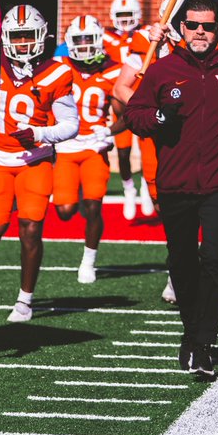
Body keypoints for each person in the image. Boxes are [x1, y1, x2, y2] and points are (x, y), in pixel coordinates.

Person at [125, 0, 218, 378]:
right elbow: (134, 115)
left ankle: (204, 344)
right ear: (183, 28)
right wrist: (159, 116)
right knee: (182, 263)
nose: (200, 32)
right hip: (175, 181)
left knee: (213, 261)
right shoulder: (161, 69)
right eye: (193, 25)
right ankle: (191, 335)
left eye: (207, 25)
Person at [0, 5, 79, 321]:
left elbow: (70, 124)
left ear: (40, 37)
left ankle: (25, 299)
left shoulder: (58, 71)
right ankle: (4, 203)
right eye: (17, 37)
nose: (22, 43)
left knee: (31, 228)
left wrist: (38, 132)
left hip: (35, 160)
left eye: (28, 36)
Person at [54, 15, 123, 282]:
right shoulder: (58, 67)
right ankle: (79, 192)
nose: (84, 45)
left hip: (95, 147)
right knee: (65, 211)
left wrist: (109, 129)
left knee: (94, 207)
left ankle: (89, 261)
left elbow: (127, 113)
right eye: (79, 40)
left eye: (88, 39)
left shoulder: (114, 70)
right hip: (66, 147)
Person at [104, 0, 150, 219]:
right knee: (123, 153)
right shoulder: (105, 37)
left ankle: (146, 187)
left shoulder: (146, 34)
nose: (125, 20)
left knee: (145, 150)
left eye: (128, 15)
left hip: (143, 98)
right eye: (121, 16)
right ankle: (128, 188)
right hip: (118, 102)